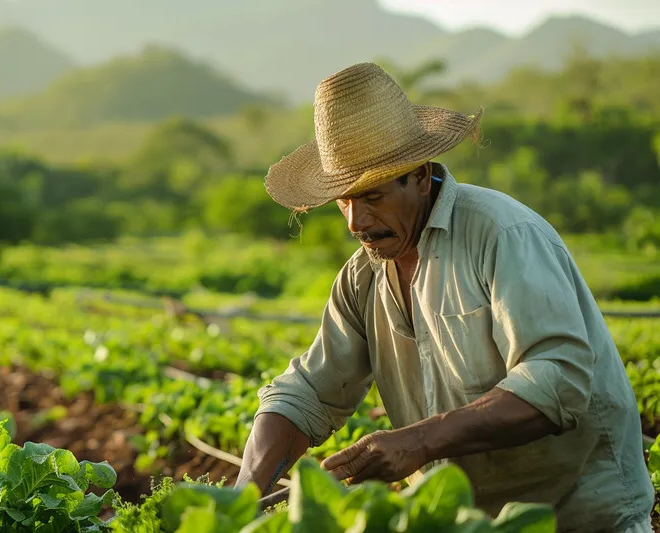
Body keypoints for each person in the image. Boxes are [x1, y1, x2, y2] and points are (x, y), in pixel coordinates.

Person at [234, 62, 654, 533]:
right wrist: (244, 495)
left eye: (371, 196)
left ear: (418, 175)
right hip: (463, 522)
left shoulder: (501, 235)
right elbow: (307, 393)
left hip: (578, 516)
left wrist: (420, 440)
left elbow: (557, 380)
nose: (354, 222)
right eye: (343, 200)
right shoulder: (363, 278)